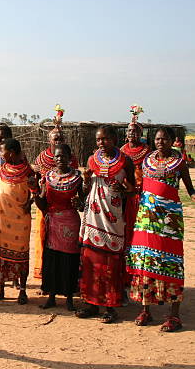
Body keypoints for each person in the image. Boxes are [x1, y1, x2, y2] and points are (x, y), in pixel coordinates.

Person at [127, 127, 195, 332]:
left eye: (164, 139)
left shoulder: (179, 163)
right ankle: (146, 310)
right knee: (145, 260)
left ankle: (174, 315)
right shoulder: (147, 160)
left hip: (169, 220)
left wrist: (193, 196)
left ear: (172, 141)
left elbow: (190, 188)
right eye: (157, 139)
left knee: (170, 261)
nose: (160, 142)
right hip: (146, 219)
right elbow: (139, 186)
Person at [76, 125, 135, 323]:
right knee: (91, 260)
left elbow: (133, 189)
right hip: (93, 215)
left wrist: (123, 188)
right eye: (99, 139)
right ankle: (91, 303)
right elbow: (86, 189)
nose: (102, 143)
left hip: (113, 217)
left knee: (111, 261)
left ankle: (110, 306)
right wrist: (85, 181)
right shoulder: (92, 160)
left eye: (106, 139)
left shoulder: (125, 161)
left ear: (114, 140)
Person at [31, 144, 84, 311]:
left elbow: (82, 205)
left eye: (63, 156)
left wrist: (78, 203)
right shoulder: (48, 177)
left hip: (70, 223)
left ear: (70, 158)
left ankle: (69, 298)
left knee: (69, 259)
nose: (60, 159)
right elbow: (42, 204)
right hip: (53, 222)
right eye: (57, 156)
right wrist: (34, 189)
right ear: (53, 158)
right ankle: (52, 296)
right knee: (52, 259)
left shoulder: (77, 178)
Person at [0, 138, 34, 305]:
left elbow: (37, 190)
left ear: (11, 153)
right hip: (1, 218)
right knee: (0, 254)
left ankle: (23, 291)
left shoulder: (28, 171)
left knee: (21, 254)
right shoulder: (3, 168)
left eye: (3, 151)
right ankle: (1, 289)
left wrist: (30, 200)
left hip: (19, 221)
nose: (1, 154)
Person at [32, 105, 78, 280]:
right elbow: (35, 181)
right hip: (45, 204)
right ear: (49, 140)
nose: (58, 140)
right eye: (55, 138)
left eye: (60, 138)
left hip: (65, 208)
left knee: (65, 243)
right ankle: (45, 275)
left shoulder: (70, 158)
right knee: (43, 238)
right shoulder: (41, 158)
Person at [120, 105, 151, 291]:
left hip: (141, 197)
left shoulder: (146, 151)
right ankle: (125, 273)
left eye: (134, 130)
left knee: (137, 233)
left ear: (140, 133)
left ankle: (138, 272)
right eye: (129, 130)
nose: (131, 133)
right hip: (125, 196)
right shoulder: (122, 150)